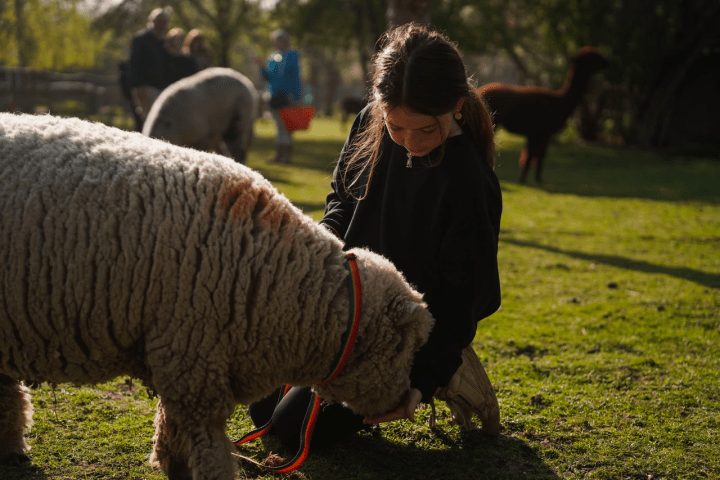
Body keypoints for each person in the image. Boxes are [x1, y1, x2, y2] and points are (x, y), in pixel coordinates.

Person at [248, 23, 502, 451]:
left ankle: (449, 371)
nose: (409, 143)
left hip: (407, 328)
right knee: (261, 408)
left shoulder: (468, 180)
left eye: (426, 130)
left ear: (457, 106)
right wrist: (321, 253)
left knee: (297, 432)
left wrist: (419, 381)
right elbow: (341, 200)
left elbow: (463, 297)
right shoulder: (369, 121)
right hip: (347, 307)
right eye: (396, 127)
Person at [254, 29, 302, 164]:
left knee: (287, 128)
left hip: (288, 96)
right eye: (277, 40)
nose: (280, 43)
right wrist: (261, 66)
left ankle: (286, 156)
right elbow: (267, 77)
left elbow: (295, 78)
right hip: (274, 96)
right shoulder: (272, 57)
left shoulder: (292, 55)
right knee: (278, 127)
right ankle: (279, 155)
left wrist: (296, 96)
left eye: (282, 40)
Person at [128, 7, 171, 125]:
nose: (162, 24)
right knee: (150, 122)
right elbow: (134, 64)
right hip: (145, 88)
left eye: (164, 21)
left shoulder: (164, 42)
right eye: (159, 21)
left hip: (160, 88)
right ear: (152, 21)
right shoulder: (140, 39)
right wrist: (137, 86)